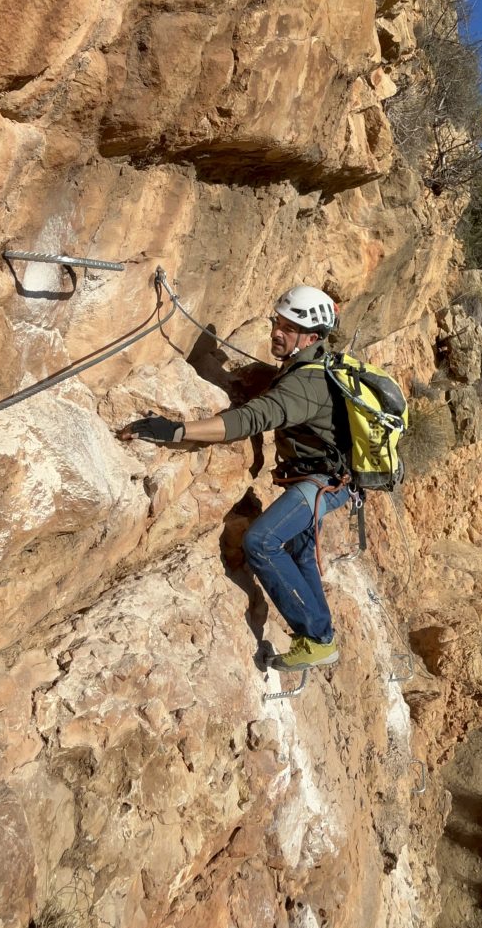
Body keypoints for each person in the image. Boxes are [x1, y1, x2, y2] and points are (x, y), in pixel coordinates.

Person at [119, 286, 350, 672]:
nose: (276, 332)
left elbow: (248, 421)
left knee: (261, 542)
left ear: (311, 338)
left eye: (288, 328)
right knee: (298, 551)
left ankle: (315, 637)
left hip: (325, 482)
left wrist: (176, 431)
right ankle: (321, 636)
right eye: (277, 322)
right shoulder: (310, 364)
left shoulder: (305, 383)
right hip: (328, 476)